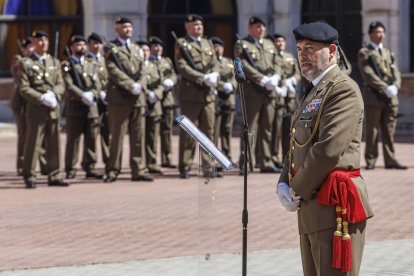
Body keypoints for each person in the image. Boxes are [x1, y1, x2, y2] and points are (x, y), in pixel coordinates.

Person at [276, 22, 373, 275]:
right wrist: (283, 181)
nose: (302, 55)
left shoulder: (342, 89)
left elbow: (327, 150)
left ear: (331, 51)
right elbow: (297, 141)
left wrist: (296, 188)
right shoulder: (313, 91)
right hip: (311, 202)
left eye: (310, 48)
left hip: (334, 206)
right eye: (299, 49)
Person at [103, 16, 153, 182]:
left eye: (129, 27)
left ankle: (138, 170)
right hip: (119, 97)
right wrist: (130, 84)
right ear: (116, 29)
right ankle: (112, 170)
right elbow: (112, 70)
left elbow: (144, 69)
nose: (127, 30)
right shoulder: (111, 48)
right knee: (117, 135)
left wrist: (141, 84)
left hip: (137, 98)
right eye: (124, 27)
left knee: (138, 135)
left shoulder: (136, 49)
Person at [18, 30, 69, 188]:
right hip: (36, 109)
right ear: (33, 43)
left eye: (46, 40)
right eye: (39, 40)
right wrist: (40, 98)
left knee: (54, 144)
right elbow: (23, 87)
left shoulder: (54, 62)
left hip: (53, 108)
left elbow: (61, 83)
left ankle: (53, 174)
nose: (43, 43)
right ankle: (30, 175)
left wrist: (54, 94)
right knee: (33, 144)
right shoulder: (26, 63)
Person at [174, 14, 221, 179]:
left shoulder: (207, 43)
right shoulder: (182, 43)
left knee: (208, 131)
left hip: (207, 95)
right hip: (191, 94)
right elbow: (182, 66)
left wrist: (214, 74)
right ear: (187, 27)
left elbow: (215, 61)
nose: (198, 27)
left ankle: (208, 167)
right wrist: (201, 78)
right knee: (189, 132)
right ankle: (185, 166)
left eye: (200, 25)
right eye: (194, 25)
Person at [234, 16, 283, 174]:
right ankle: (246, 162)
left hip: (269, 92)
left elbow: (278, 63)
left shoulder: (269, 44)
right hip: (253, 91)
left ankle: (266, 161)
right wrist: (261, 79)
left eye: (262, 26)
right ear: (250, 28)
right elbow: (243, 65)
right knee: (251, 129)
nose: (260, 29)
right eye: (257, 26)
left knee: (267, 128)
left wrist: (276, 76)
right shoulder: (243, 44)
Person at [357, 21, 407, 170]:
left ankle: (390, 160)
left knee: (389, 131)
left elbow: (395, 72)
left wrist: (396, 86)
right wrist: (385, 87)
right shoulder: (364, 53)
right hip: (374, 97)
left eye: (382, 32)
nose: (381, 35)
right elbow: (368, 74)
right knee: (372, 130)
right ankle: (371, 160)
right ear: (371, 34)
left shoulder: (388, 52)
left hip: (391, 97)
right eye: (377, 32)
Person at [62, 35, 103, 180]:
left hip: (91, 107)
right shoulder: (66, 65)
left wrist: (93, 94)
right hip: (75, 106)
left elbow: (97, 84)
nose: (82, 47)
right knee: (73, 139)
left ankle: (90, 166)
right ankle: (70, 167)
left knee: (91, 137)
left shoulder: (91, 64)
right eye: (78, 45)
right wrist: (82, 95)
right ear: (72, 47)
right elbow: (68, 84)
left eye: (83, 45)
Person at [10, 37, 47, 176]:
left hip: (34, 103)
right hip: (20, 104)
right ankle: (21, 165)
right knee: (24, 135)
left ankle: (44, 165)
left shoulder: (38, 60)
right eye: (29, 47)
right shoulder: (19, 60)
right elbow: (15, 73)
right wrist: (25, 59)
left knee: (40, 135)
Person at [270, 33, 301, 168]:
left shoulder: (289, 57)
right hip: (278, 97)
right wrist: (280, 85)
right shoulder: (271, 57)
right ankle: (274, 157)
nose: (280, 43)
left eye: (282, 41)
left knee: (289, 129)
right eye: (277, 41)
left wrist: (293, 80)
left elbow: (297, 72)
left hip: (291, 97)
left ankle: (287, 156)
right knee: (276, 129)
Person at [149, 36, 178, 169]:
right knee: (153, 131)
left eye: (159, 46)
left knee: (167, 130)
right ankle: (152, 160)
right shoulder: (147, 62)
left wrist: (172, 81)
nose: (157, 48)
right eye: (154, 46)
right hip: (153, 100)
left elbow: (173, 74)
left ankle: (167, 158)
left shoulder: (167, 61)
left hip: (167, 100)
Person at [138, 38, 164, 175]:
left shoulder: (154, 65)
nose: (145, 53)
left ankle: (152, 163)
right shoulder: (135, 66)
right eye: (142, 50)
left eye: (147, 50)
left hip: (154, 105)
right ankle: (140, 164)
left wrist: (157, 94)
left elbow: (161, 83)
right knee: (140, 136)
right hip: (141, 104)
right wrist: (148, 93)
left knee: (153, 136)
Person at [210, 36, 237, 162]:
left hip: (228, 99)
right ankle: (214, 157)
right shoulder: (210, 63)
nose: (218, 49)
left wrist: (231, 85)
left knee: (227, 130)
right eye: (215, 47)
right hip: (216, 99)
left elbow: (235, 76)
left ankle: (227, 155)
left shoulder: (229, 62)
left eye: (220, 47)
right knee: (214, 131)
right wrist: (222, 85)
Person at [86, 32, 110, 168]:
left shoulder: (105, 60)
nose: (96, 46)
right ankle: (90, 163)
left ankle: (109, 161)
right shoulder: (86, 61)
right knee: (92, 134)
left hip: (107, 101)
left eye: (99, 43)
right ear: (89, 45)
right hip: (93, 101)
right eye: (94, 43)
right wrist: (98, 92)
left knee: (107, 133)